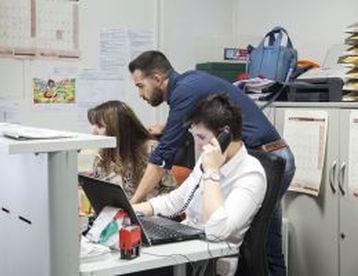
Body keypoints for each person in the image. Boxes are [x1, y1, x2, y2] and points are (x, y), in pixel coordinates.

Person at [128, 50, 295, 276]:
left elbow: (162, 157)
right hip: (249, 152)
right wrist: (133, 209)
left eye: (140, 85)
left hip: (268, 154)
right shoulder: (188, 84)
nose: (140, 93)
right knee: (262, 241)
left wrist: (133, 201)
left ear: (157, 79)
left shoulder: (184, 93)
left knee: (262, 243)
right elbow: (176, 200)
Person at [134, 94, 267, 276]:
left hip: (212, 263)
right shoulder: (208, 159)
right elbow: (176, 201)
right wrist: (136, 209)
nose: (197, 144)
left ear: (225, 135)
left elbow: (216, 231)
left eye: (202, 137)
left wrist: (212, 172)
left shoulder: (251, 174)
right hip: (187, 248)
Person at [87, 100, 176, 200]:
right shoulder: (104, 153)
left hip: (148, 212)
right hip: (116, 211)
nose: (93, 132)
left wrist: (147, 207)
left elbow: (170, 190)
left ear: (118, 128)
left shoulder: (151, 149)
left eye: (100, 126)